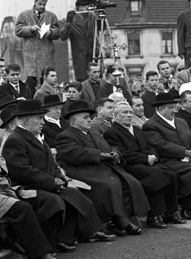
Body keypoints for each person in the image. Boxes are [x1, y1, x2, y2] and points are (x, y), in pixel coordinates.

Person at [2, 100, 114, 249]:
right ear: (27, 121)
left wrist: (59, 177)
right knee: (54, 201)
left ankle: (65, 238)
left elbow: (51, 164)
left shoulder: (35, 136)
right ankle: (50, 243)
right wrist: (52, 182)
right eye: (39, 118)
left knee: (75, 196)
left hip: (46, 183)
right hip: (27, 187)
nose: (43, 122)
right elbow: (23, 171)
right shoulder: (15, 140)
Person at [55, 101, 149, 236]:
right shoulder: (65, 136)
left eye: (90, 117)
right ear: (74, 121)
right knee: (108, 185)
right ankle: (122, 222)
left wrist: (115, 153)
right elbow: (76, 154)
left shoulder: (92, 132)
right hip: (83, 171)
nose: (89, 120)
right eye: (85, 118)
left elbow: (108, 146)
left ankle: (119, 221)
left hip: (103, 167)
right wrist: (101, 155)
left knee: (130, 183)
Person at [104, 102, 183, 229]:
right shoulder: (111, 132)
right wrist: (146, 158)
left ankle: (171, 211)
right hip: (129, 166)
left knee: (171, 174)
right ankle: (154, 215)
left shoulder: (137, 129)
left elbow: (150, 146)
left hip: (147, 163)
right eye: (124, 112)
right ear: (115, 116)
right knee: (155, 176)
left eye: (130, 112)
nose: (129, 115)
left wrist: (153, 155)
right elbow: (123, 154)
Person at [141, 91, 191, 221]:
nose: (174, 110)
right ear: (160, 109)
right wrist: (185, 152)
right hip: (169, 161)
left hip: (188, 158)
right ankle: (188, 208)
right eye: (170, 108)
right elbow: (160, 145)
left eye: (174, 106)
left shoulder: (181, 121)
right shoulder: (151, 125)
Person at [0, 150, 66, 259]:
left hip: (0, 190)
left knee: (33, 201)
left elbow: (0, 164)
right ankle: (42, 255)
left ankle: (11, 239)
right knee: (21, 208)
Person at [15, 0, 60, 91]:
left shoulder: (51, 16)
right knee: (30, 84)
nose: (42, 6)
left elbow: (58, 32)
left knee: (48, 83)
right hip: (30, 58)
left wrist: (50, 32)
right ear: (35, 2)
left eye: (44, 4)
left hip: (47, 56)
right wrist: (30, 29)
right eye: (40, 4)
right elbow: (18, 30)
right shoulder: (24, 15)